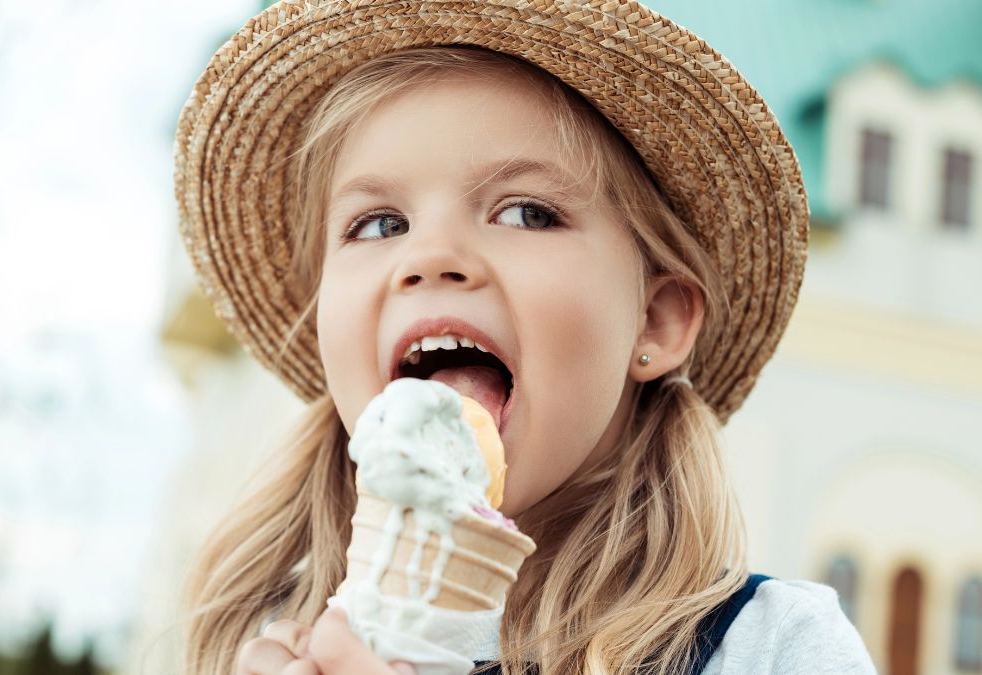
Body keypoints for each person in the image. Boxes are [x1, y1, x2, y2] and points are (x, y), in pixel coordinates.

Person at [172, 1, 876, 673]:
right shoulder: (270, 639)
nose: (431, 255)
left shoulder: (772, 645)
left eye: (526, 213)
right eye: (379, 224)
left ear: (654, 320)